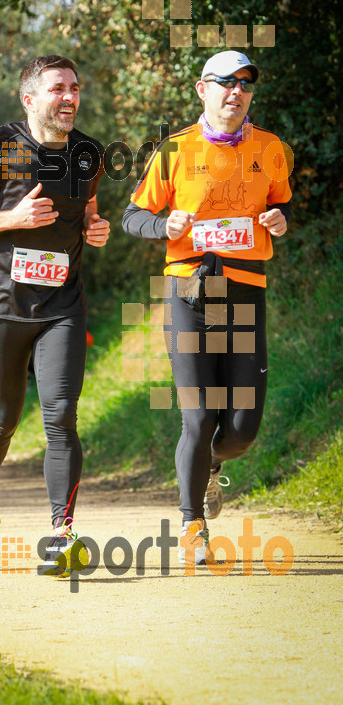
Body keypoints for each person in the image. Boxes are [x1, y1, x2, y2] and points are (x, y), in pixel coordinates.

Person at [123, 51, 292, 565]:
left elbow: (280, 203)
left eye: (245, 84)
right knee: (197, 417)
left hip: (244, 294)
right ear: (202, 90)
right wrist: (164, 227)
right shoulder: (174, 151)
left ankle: (212, 467)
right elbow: (133, 215)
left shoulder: (270, 148)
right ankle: (191, 521)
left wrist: (279, 220)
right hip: (190, 295)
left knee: (241, 429)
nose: (235, 92)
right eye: (225, 83)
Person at [0, 55, 110, 575]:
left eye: (75, 88)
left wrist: (94, 228)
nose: (69, 97)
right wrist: (13, 218)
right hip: (3, 305)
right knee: (4, 418)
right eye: (57, 88)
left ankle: (62, 535)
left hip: (63, 304)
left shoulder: (88, 153)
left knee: (60, 416)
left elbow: (87, 214)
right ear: (29, 98)